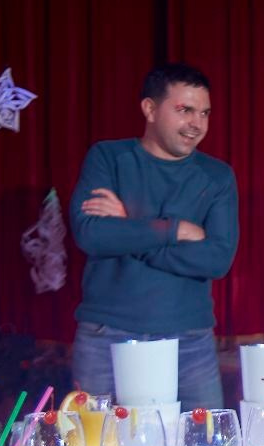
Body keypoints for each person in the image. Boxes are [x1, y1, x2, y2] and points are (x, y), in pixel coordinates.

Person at [70, 62, 239, 409]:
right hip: (106, 335)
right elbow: (92, 235)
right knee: (96, 441)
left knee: (203, 441)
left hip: (189, 340)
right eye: (185, 110)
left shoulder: (216, 176)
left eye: (204, 113)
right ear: (149, 109)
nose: (197, 124)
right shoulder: (109, 158)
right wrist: (176, 229)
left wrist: (128, 225)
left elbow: (216, 259)